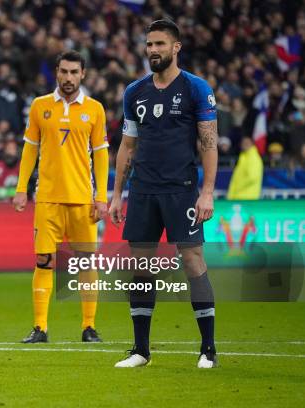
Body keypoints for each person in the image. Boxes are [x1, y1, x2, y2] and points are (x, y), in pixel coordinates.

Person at [109, 20, 219, 368]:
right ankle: (141, 350)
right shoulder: (134, 92)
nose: (152, 50)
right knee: (140, 267)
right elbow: (127, 146)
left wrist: (207, 192)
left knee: (192, 261)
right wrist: (116, 195)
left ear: (176, 47)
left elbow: (208, 143)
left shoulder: (196, 89)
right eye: (149, 44)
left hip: (182, 190)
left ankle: (208, 350)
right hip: (142, 190)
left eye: (159, 43)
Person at [13, 50, 109, 343]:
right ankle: (40, 327)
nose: (68, 78)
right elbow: (30, 148)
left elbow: (101, 155)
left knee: (86, 262)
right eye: (64, 72)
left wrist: (101, 196)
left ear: (83, 75)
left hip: (82, 198)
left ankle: (88, 327)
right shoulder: (40, 106)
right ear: (56, 72)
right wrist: (20, 189)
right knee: (43, 260)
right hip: (47, 198)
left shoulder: (94, 109)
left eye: (74, 72)